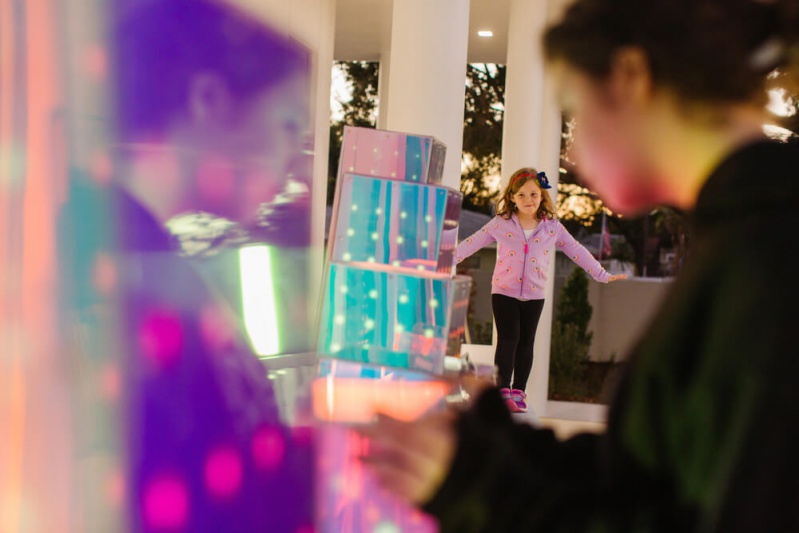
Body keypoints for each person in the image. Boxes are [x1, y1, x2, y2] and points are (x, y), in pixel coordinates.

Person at [358, 0, 799, 531]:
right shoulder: (742, 240)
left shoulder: (767, 261)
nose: (571, 156)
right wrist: (495, 448)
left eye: (575, 109)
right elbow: (646, 477)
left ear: (630, 77)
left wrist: (479, 485)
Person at [454, 168, 626, 412]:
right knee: (508, 339)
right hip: (504, 291)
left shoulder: (552, 228)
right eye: (522, 195)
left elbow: (577, 250)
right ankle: (503, 391)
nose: (528, 200)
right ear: (512, 197)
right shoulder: (500, 223)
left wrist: (601, 274)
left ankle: (518, 392)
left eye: (534, 194)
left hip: (535, 294)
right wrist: (446, 260)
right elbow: (471, 243)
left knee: (526, 342)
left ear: (542, 196)